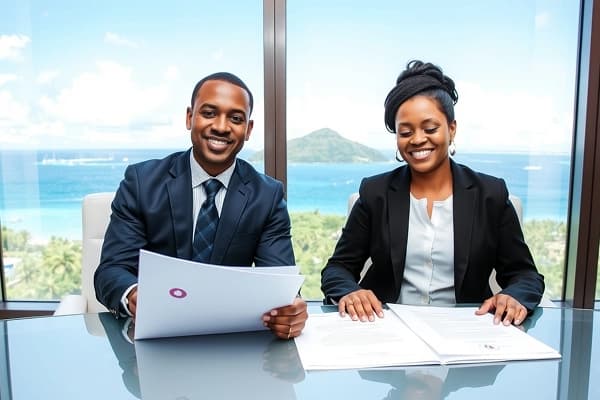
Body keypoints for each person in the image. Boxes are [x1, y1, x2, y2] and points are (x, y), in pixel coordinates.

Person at [321, 60, 544, 326]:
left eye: (430, 129)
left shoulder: (490, 195)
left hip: (467, 331)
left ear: (451, 129)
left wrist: (513, 296)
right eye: (405, 132)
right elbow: (337, 269)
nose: (417, 140)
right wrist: (351, 292)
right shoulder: (375, 193)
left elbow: (525, 275)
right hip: (386, 329)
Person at [94, 72, 307, 339]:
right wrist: (134, 294)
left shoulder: (267, 195)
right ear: (189, 117)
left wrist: (291, 310)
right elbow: (111, 271)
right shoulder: (141, 182)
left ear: (248, 129)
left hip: (230, 344)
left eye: (236, 118)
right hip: (150, 340)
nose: (221, 126)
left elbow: (279, 283)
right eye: (209, 113)